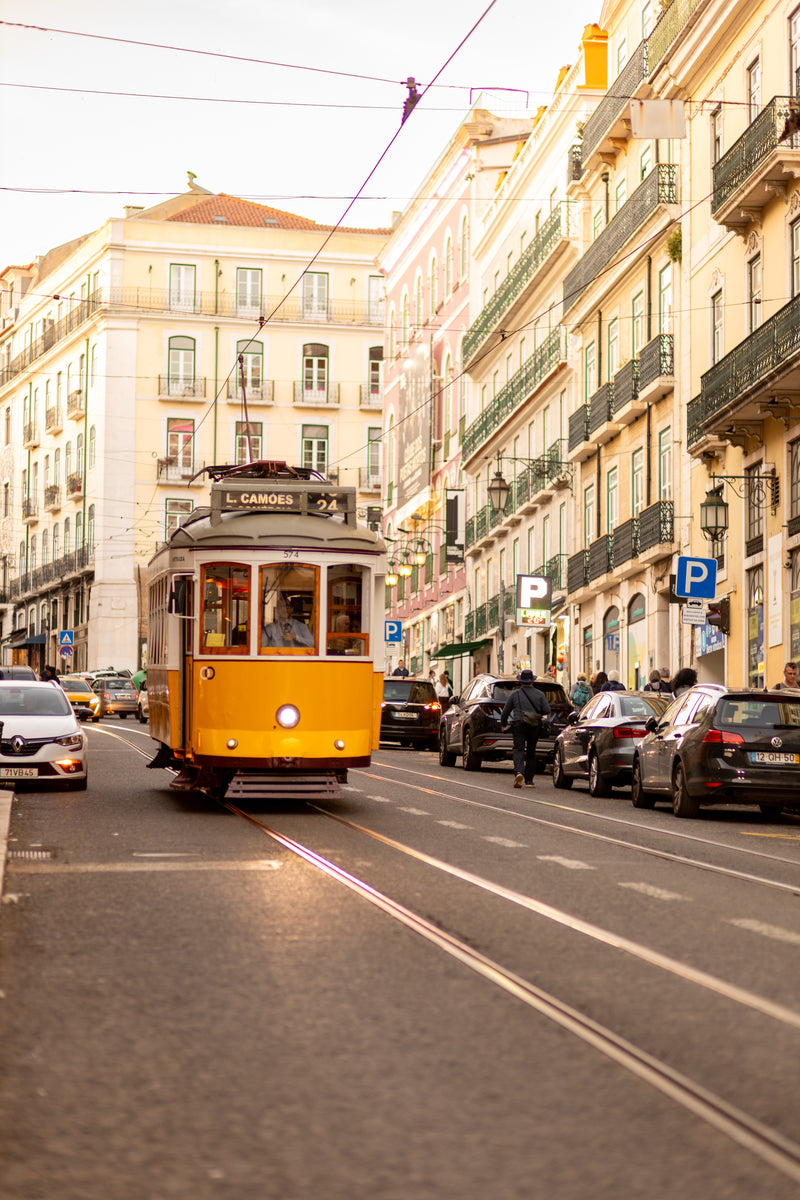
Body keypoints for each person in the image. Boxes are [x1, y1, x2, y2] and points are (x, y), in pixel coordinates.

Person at [500, 669, 551, 789]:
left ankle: (518, 772)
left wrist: (503, 724)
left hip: (519, 724)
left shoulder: (515, 694)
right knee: (531, 752)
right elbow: (546, 710)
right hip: (534, 725)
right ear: (532, 681)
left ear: (520, 682)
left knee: (518, 749)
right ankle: (529, 780)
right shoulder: (539, 694)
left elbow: (506, 711)